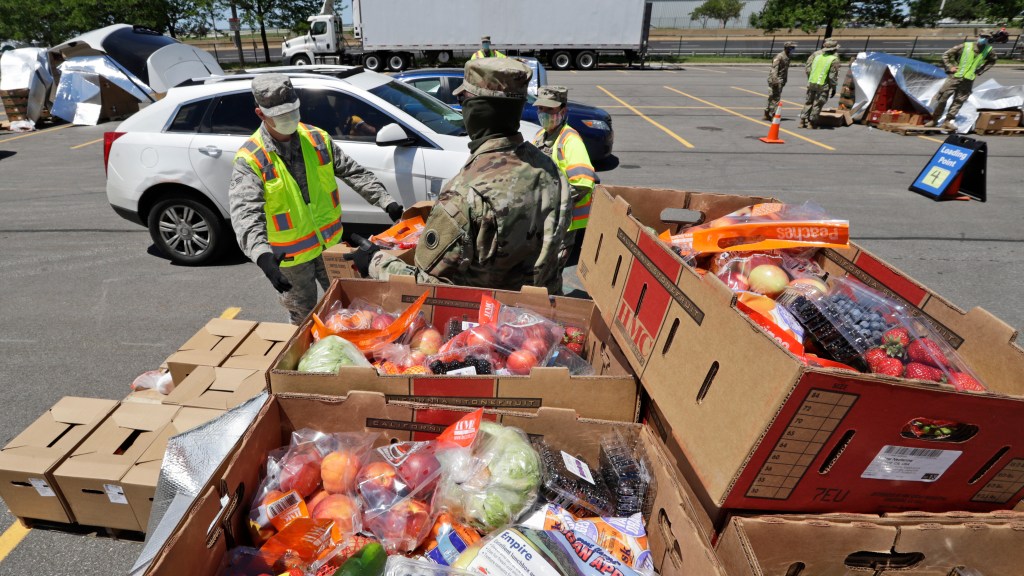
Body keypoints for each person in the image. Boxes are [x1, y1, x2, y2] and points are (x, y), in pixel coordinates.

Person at [346, 58, 573, 294]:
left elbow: (427, 287)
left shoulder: (465, 193)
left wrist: (375, 262)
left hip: (491, 324)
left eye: (461, 101)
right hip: (545, 317)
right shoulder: (550, 169)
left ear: (476, 109)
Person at [228, 74, 404, 324]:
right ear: (260, 114)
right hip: (291, 260)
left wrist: (386, 201)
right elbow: (245, 213)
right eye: (281, 115)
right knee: (304, 319)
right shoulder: (252, 159)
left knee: (352, 309)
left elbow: (352, 171)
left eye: (293, 111)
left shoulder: (317, 139)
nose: (289, 119)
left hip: (331, 248)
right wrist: (262, 255)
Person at [531, 85, 596, 266]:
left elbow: (583, 183)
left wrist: (553, 202)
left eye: (549, 109)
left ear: (563, 110)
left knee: (551, 270)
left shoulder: (570, 140)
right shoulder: (539, 136)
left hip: (565, 224)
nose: (543, 113)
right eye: (540, 108)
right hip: (545, 222)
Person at [926, 31, 998, 131]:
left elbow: (992, 60)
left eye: (987, 37)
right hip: (955, 77)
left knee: (959, 100)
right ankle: (934, 120)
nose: (984, 39)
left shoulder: (988, 50)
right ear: (978, 36)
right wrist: (950, 67)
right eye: (983, 36)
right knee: (943, 98)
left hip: (968, 79)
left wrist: (980, 70)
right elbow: (946, 55)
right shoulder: (966, 46)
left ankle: (948, 121)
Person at [799, 39, 840, 129]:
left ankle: (802, 121)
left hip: (812, 82)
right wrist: (834, 87)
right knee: (818, 103)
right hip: (823, 84)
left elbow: (808, 68)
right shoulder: (833, 59)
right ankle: (812, 123)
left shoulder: (817, 56)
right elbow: (832, 76)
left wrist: (811, 78)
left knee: (808, 101)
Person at [765, 42, 796, 120]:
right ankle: (773, 114)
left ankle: (767, 112)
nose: (793, 49)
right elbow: (774, 69)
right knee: (776, 98)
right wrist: (775, 80)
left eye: (793, 48)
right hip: (776, 79)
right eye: (791, 48)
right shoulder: (780, 56)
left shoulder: (788, 56)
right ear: (786, 48)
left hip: (782, 79)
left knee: (772, 96)